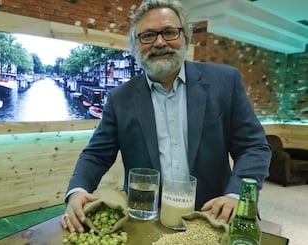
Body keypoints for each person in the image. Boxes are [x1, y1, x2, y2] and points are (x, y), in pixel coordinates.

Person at [62, 0, 271, 233]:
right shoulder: (120, 98)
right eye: (148, 35)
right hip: (146, 220)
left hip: (215, 217)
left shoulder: (225, 82)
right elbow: (96, 155)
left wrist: (236, 195)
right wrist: (77, 191)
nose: (160, 42)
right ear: (135, 45)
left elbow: (254, 147)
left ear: (185, 38)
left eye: (170, 32)